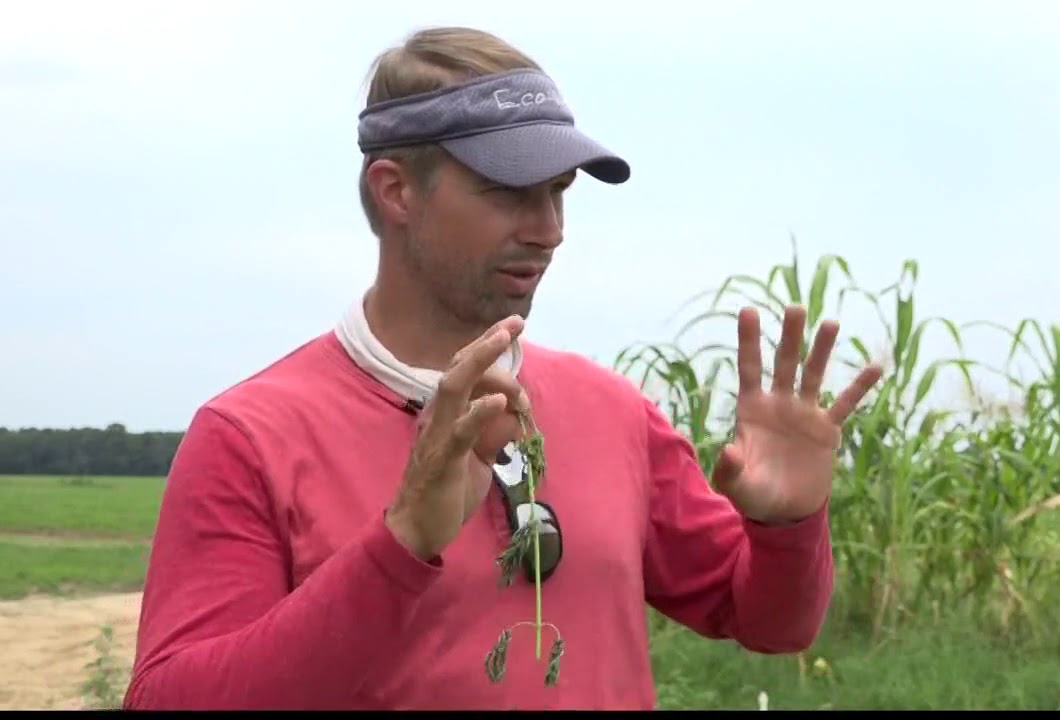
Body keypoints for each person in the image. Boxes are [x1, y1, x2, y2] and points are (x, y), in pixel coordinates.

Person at [121, 26, 883, 711]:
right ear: (396, 192)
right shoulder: (253, 437)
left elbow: (769, 621)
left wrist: (785, 528)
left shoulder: (611, 412)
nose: (549, 230)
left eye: (558, 194)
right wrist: (400, 544)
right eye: (510, 192)